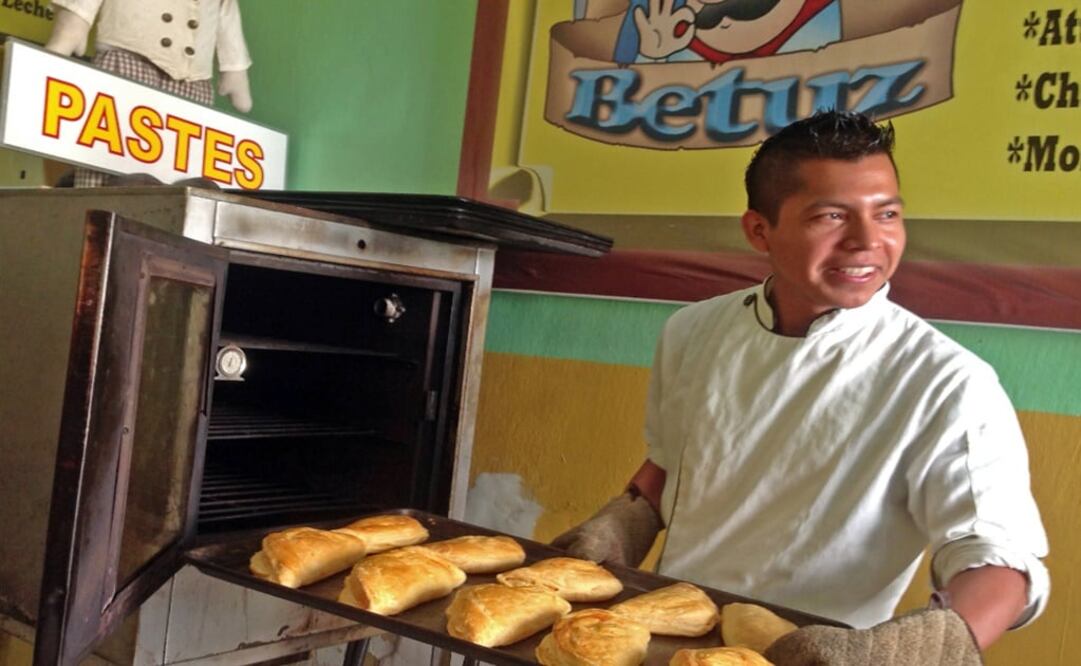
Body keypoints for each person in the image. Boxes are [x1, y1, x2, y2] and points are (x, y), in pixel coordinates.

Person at [552, 111, 1049, 661]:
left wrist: (916, 648)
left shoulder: (946, 381)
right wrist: (623, 523)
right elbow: (672, 460)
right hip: (672, 641)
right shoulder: (692, 331)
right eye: (832, 216)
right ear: (759, 229)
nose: (867, 242)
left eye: (886, 214)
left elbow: (1001, 562)